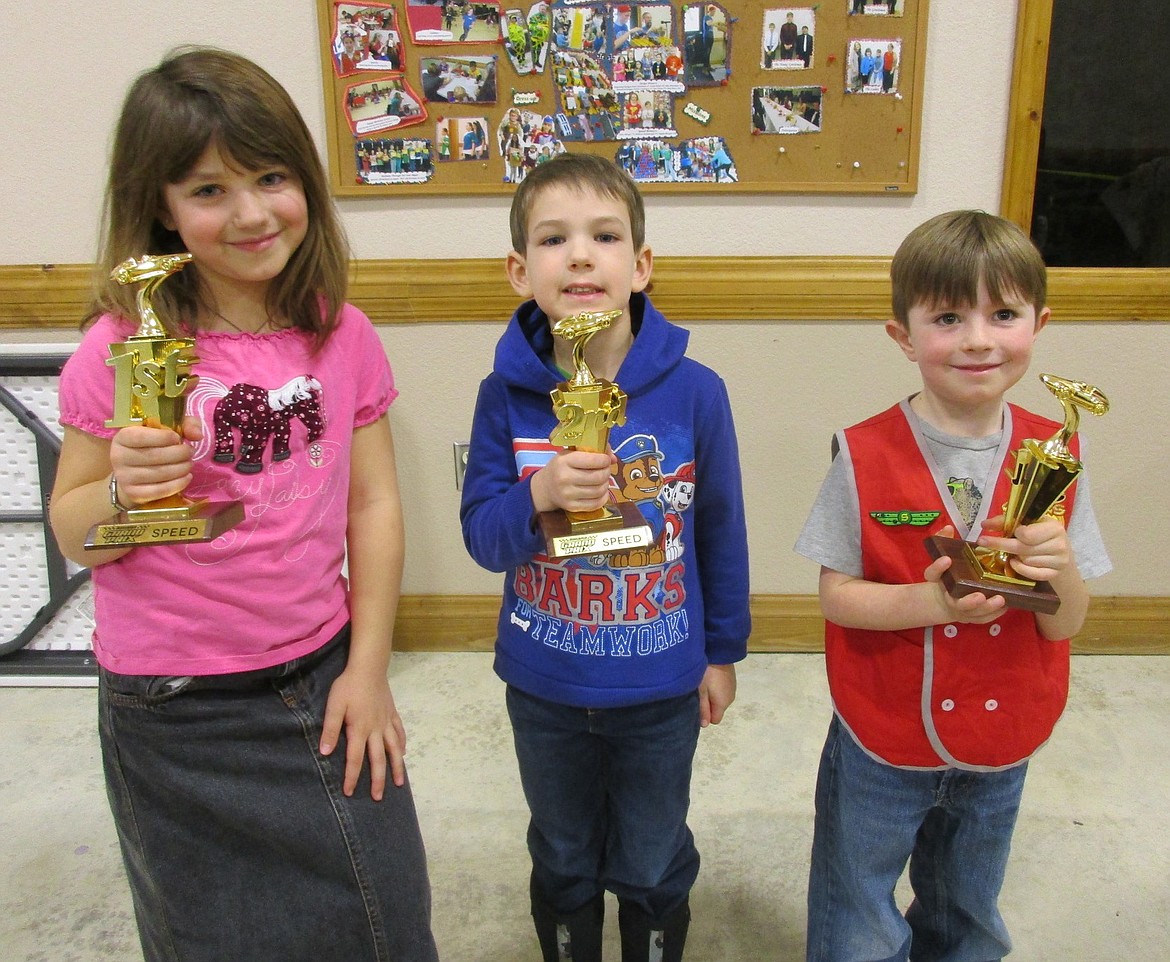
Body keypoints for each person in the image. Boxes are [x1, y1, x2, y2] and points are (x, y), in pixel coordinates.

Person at [49, 47, 438, 962]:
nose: (254, 213)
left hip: (321, 673)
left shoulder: (342, 334)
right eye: (209, 191)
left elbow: (374, 507)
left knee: (384, 922)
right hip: (168, 708)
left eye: (270, 177)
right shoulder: (117, 346)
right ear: (159, 205)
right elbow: (76, 530)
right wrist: (119, 492)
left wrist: (370, 667)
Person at [795, 210, 1111, 962]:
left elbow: (1065, 625)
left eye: (1003, 313)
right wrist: (932, 603)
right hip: (883, 738)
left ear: (1040, 322)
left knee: (967, 905)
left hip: (1003, 742)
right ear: (903, 336)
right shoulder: (863, 452)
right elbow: (837, 595)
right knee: (857, 911)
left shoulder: (1056, 456)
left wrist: (1056, 562)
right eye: (947, 316)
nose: (978, 338)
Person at [459, 153, 750, 962]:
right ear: (521, 270)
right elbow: (483, 536)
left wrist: (721, 652)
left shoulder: (698, 392)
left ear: (642, 265)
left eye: (605, 235)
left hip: (660, 683)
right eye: (554, 239)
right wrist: (540, 491)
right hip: (544, 683)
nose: (580, 255)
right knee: (560, 852)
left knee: (654, 856)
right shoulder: (503, 397)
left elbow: (720, 530)